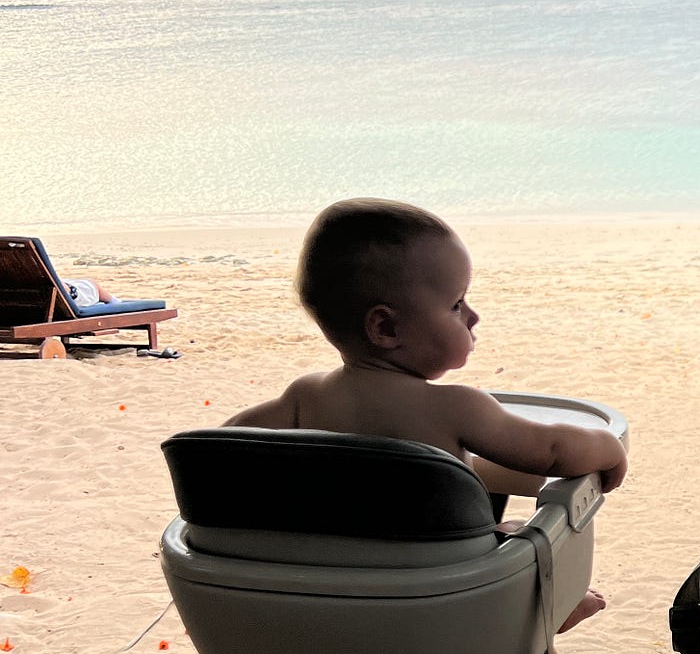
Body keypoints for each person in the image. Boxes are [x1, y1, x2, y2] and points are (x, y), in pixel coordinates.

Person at [227, 199, 627, 626]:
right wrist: (608, 451)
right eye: (456, 305)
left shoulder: (304, 397)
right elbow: (550, 450)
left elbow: (220, 446)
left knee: (499, 528)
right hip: (450, 612)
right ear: (386, 329)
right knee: (521, 535)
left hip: (342, 600)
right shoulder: (456, 407)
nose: (473, 316)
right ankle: (560, 604)